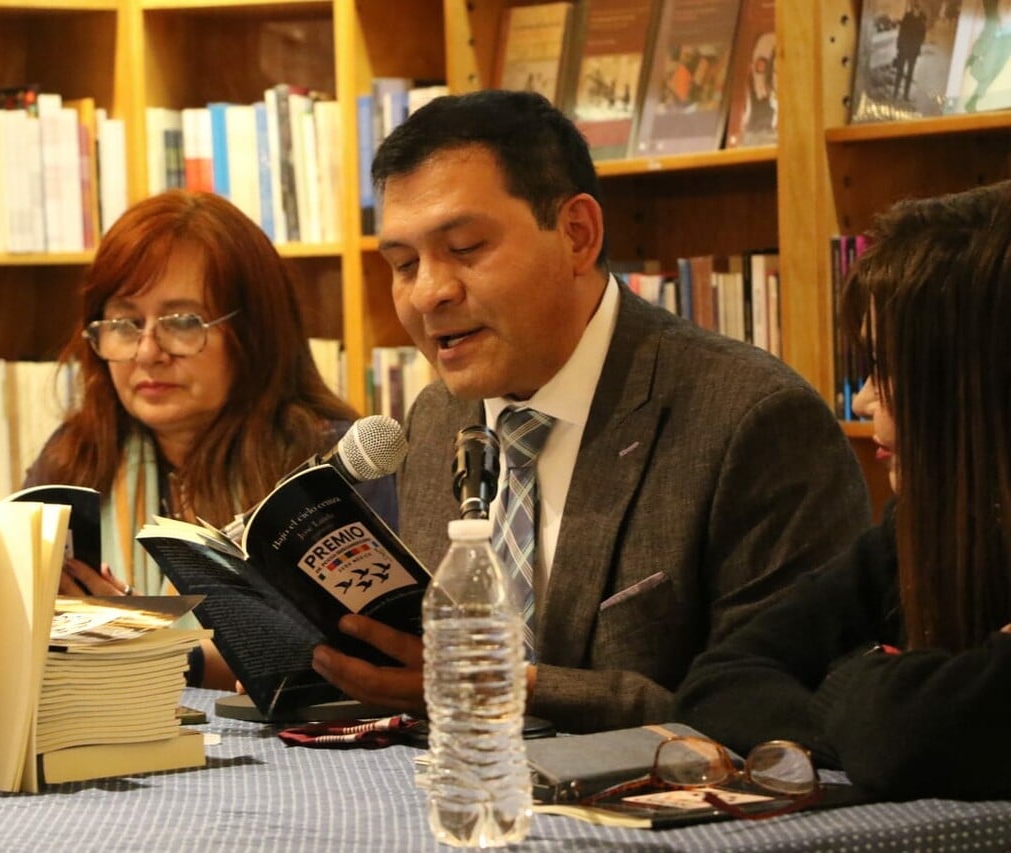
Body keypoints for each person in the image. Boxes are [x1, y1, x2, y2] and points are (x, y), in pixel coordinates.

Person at [309, 89, 871, 733]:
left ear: (577, 235)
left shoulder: (753, 420)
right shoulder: (438, 415)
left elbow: (790, 713)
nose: (430, 292)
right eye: (404, 264)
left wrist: (517, 691)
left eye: (464, 248)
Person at [675, 181, 1011, 801]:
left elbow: (905, 736)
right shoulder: (921, 524)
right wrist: (859, 707)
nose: (862, 400)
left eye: (886, 369)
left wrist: (849, 683)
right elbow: (720, 679)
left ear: (978, 383)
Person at [25, 189, 395, 687]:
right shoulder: (75, 457)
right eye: (125, 323)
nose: (148, 352)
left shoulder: (330, 464)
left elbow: (341, 650)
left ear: (254, 333)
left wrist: (142, 645)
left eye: (183, 323)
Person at [893, 1, 927, 101]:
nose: (916, 10)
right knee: (900, 71)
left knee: (910, 73)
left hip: (913, 51)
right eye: (914, 8)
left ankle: (905, 95)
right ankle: (895, 93)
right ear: (912, 8)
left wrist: (918, 48)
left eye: (918, 8)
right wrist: (899, 46)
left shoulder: (922, 19)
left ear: (920, 9)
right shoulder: (907, 17)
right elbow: (901, 32)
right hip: (903, 49)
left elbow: (922, 36)